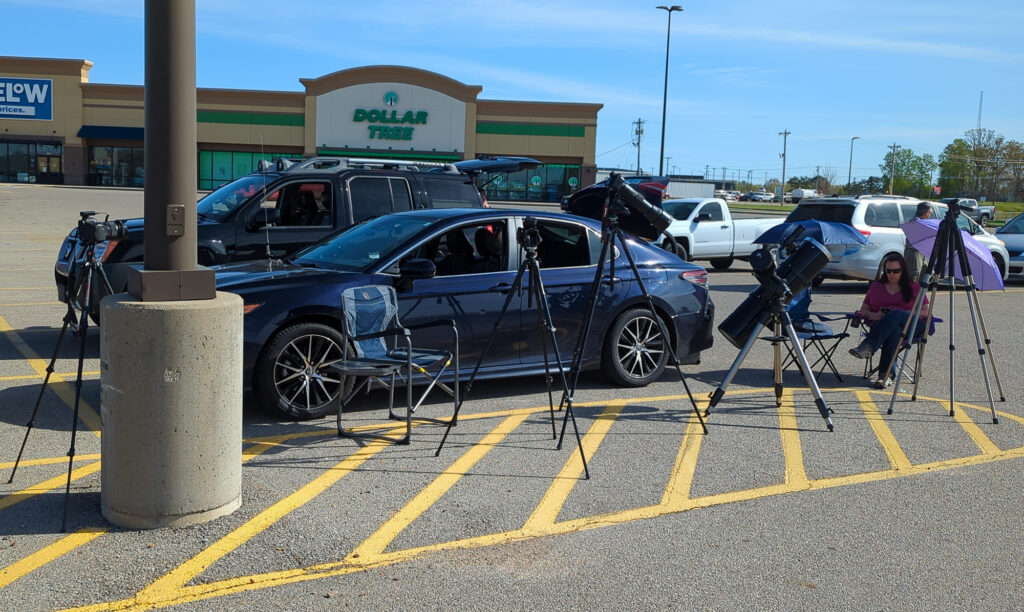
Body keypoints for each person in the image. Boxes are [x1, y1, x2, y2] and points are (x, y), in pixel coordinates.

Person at [848, 253, 930, 389]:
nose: (891, 274)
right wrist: (878, 316)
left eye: (896, 271)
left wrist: (902, 314)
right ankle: (885, 376)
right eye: (888, 271)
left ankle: (868, 346)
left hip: (912, 326)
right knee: (894, 330)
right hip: (882, 326)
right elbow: (864, 311)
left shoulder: (913, 287)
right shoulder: (876, 287)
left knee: (896, 315)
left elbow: (926, 312)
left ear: (903, 271)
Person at [904, 202, 932, 282]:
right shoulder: (915, 222)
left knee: (922, 278)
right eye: (929, 213)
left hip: (920, 253)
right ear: (926, 212)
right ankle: (913, 294)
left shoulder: (921, 222)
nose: (929, 215)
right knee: (914, 278)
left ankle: (919, 294)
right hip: (914, 253)